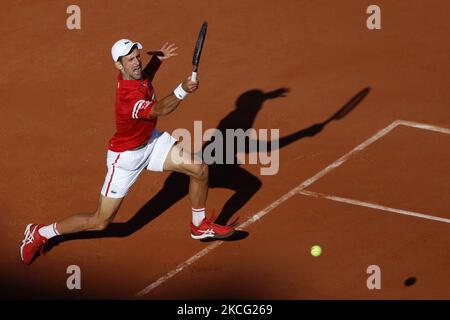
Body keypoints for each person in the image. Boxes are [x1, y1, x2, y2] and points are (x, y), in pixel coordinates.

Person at [20, 39, 234, 265]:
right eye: (130, 59)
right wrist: (182, 90)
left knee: (199, 168)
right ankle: (40, 233)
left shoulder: (131, 75)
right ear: (118, 65)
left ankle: (199, 226)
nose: (137, 62)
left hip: (152, 142)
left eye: (137, 56)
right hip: (127, 158)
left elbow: (144, 78)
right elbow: (159, 109)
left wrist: (156, 61)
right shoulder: (127, 99)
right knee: (100, 221)